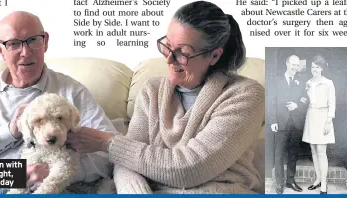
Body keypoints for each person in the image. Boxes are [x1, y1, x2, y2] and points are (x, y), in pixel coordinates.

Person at [67, 1, 265, 194]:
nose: (169, 59)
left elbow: (190, 169)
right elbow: (126, 163)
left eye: (182, 52)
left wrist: (108, 143)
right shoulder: (152, 91)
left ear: (214, 56)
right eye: (167, 46)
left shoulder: (245, 95)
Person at [0, 11, 117, 194]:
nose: (26, 52)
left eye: (33, 40)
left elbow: (110, 155)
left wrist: (54, 175)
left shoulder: (72, 92)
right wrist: (9, 137)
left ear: (46, 41)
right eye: (13, 43)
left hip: (53, 189)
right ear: (0, 49)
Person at [270, 55, 308, 194]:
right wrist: (273, 120)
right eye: (293, 65)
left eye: (297, 65)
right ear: (287, 64)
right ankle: (279, 184)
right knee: (279, 154)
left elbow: (305, 100)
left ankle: (290, 181)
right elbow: (271, 101)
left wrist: (297, 105)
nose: (295, 68)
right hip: (280, 122)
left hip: (296, 122)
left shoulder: (301, 81)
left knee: (293, 153)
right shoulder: (276, 81)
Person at [302, 55, 335, 194]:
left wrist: (329, 121)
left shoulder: (328, 83)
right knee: (314, 150)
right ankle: (318, 179)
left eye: (317, 67)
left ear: (322, 68)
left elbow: (332, 103)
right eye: (313, 67)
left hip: (323, 118)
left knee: (321, 151)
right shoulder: (308, 83)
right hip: (311, 116)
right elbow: (308, 100)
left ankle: (324, 183)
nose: (314, 69)